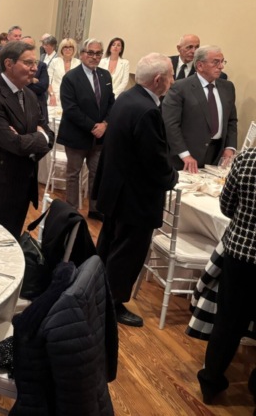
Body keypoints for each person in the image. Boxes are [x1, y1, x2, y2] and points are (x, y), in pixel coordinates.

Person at [93, 53, 178, 327]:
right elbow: (154, 161)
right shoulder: (148, 110)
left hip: (115, 190)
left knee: (109, 245)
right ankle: (113, 305)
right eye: (171, 75)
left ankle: (96, 294)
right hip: (135, 198)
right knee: (127, 254)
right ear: (158, 79)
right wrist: (173, 177)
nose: (173, 80)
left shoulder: (127, 98)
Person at [0, 41, 54, 239]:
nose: (34, 68)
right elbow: (15, 144)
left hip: (22, 187)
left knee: (12, 244)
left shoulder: (30, 96)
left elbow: (50, 136)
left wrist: (36, 138)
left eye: (35, 63)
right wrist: (36, 137)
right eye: (28, 63)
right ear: (9, 64)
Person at [197, 148, 256, 404]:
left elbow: (227, 206)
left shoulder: (247, 159)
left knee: (228, 321)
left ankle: (211, 383)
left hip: (240, 255)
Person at [56, 38, 114, 219]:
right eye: (90, 53)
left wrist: (105, 124)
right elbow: (70, 108)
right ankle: (72, 210)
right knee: (73, 174)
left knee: (97, 173)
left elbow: (111, 103)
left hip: (99, 136)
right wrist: (93, 126)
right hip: (76, 134)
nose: (94, 57)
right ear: (82, 54)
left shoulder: (105, 76)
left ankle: (95, 209)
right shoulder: (71, 77)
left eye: (98, 53)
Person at [162, 45, 237, 173]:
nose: (221, 66)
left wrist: (230, 147)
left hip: (217, 156)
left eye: (222, 61)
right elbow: (171, 124)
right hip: (186, 158)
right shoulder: (180, 87)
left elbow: (231, 120)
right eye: (215, 62)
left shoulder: (228, 87)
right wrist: (185, 154)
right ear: (200, 66)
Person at [47, 37, 80, 106]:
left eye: (70, 48)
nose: (67, 50)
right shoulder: (55, 61)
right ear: (61, 49)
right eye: (65, 47)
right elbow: (48, 80)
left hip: (72, 98)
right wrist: (52, 95)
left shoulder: (78, 63)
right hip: (55, 96)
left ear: (74, 49)